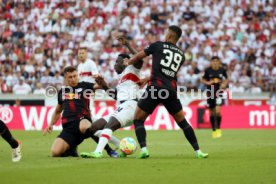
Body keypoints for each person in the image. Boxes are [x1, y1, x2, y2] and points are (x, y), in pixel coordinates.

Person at [122, 25, 208, 159]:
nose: (165, 34)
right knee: (183, 123)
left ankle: (144, 149)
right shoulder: (181, 55)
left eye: (167, 32)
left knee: (138, 119)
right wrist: (147, 78)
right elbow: (167, 73)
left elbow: (139, 56)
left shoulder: (157, 45)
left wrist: (129, 62)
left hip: (155, 88)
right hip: (170, 91)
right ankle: (198, 151)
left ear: (170, 35)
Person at [80, 36, 146, 158]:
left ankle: (98, 152)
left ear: (126, 61)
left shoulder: (132, 69)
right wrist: (104, 85)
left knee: (109, 126)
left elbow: (140, 59)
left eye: (117, 62)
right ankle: (121, 144)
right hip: (122, 107)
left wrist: (127, 44)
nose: (115, 65)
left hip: (131, 105)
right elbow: (115, 96)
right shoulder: (121, 78)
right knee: (94, 128)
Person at [43, 66, 119, 157]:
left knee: (86, 127)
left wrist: (102, 81)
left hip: (82, 119)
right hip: (68, 127)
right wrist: (51, 124)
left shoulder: (85, 86)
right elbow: (57, 111)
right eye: (70, 77)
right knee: (55, 153)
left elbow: (102, 87)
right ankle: (71, 148)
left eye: (75, 76)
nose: (73, 79)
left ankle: (109, 150)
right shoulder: (62, 92)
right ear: (65, 79)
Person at [201, 56, 228, 138]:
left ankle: (219, 129)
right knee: (212, 112)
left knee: (218, 111)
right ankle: (213, 130)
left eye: (217, 61)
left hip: (218, 92)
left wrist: (224, 84)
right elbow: (202, 79)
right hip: (210, 92)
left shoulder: (222, 70)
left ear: (219, 62)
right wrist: (208, 83)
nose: (215, 62)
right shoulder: (208, 70)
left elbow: (226, 78)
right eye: (213, 61)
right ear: (211, 62)